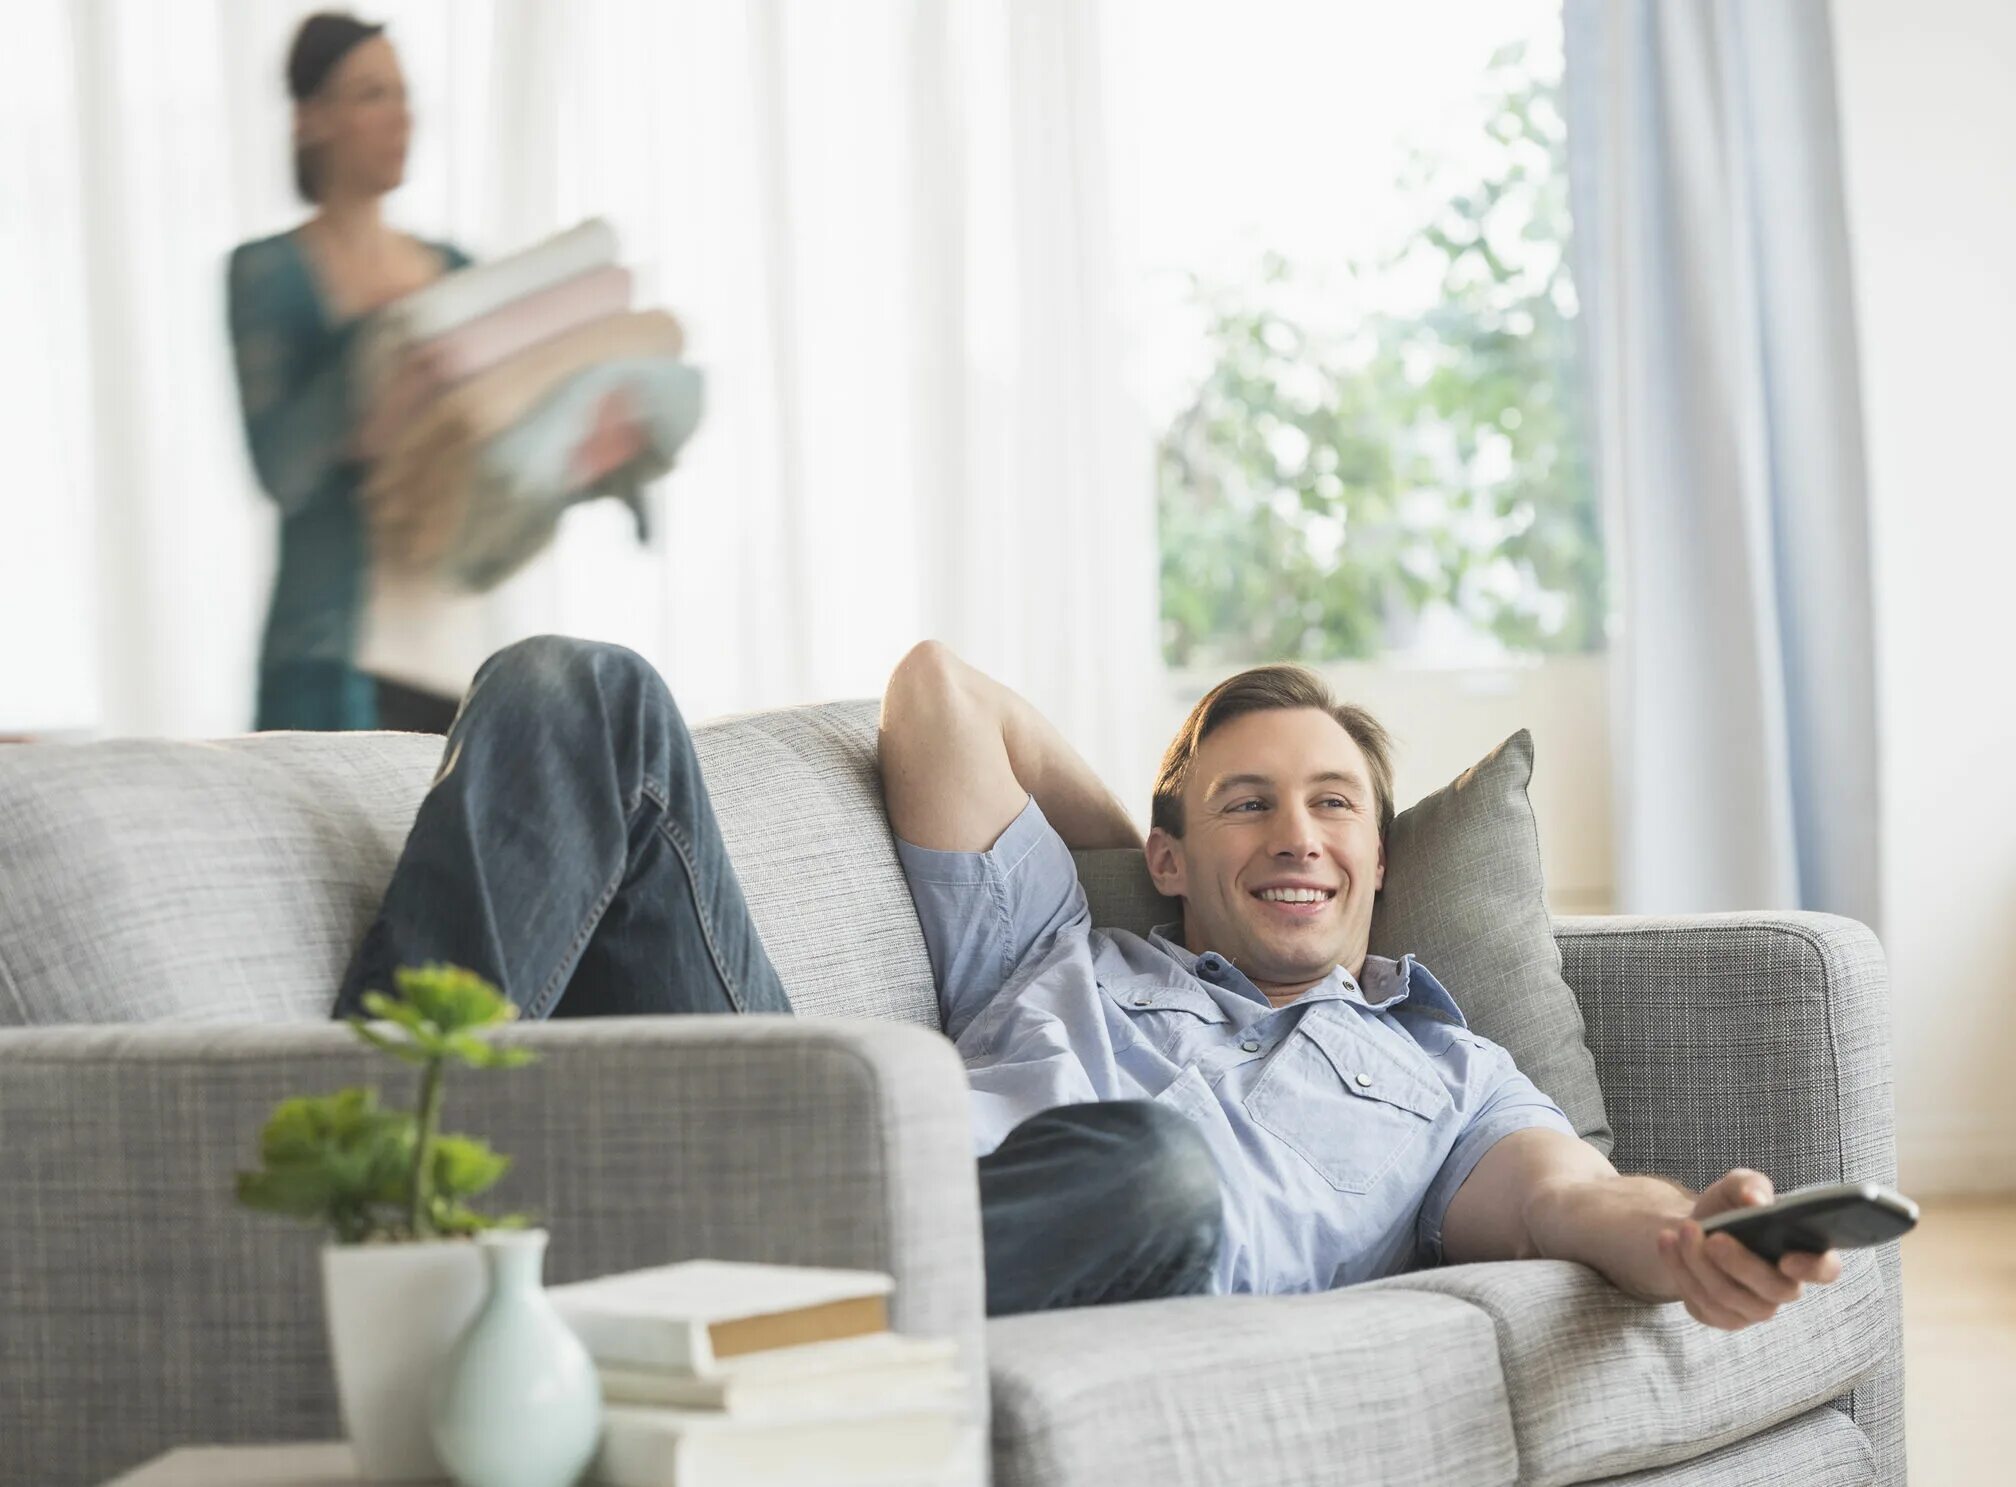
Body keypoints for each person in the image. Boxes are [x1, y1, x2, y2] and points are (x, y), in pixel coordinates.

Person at [335, 635, 1845, 1327]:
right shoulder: (1056, 940)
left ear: (1382, 861)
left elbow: (1578, 1201)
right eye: (1248, 801)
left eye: (1334, 805)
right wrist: (1144, 843)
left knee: (1159, 1170)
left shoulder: (1449, 1073)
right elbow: (940, 690)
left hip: (1090, 1234)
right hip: (817, 1163)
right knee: (583, 687)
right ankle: (368, 1173)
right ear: (1178, 850)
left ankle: (603, 1268)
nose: (1297, 833)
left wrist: (1689, 1236)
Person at [227, 12, 475, 734]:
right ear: (312, 118)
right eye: (372, 94)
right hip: (324, 654)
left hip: (455, 645)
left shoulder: (458, 271)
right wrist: (377, 352)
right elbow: (280, 468)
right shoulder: (267, 274)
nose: (401, 116)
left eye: (403, 93)